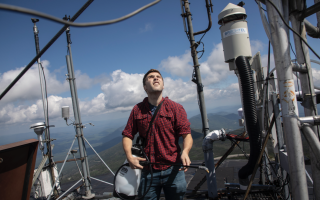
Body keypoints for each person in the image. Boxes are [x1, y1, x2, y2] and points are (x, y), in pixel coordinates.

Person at [122, 69, 193, 200]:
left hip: (174, 170)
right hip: (148, 171)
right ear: (145, 87)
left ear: (163, 84)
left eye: (158, 77)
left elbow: (186, 134)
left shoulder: (176, 108)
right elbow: (127, 135)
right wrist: (129, 156)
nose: (155, 78)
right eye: (151, 77)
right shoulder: (137, 110)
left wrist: (185, 151)